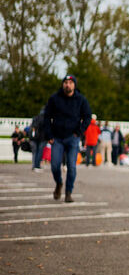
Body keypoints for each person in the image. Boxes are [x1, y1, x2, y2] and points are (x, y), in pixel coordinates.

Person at [43, 75, 92, 203]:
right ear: (62, 84)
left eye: (70, 82)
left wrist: (79, 132)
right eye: (65, 82)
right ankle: (59, 183)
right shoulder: (54, 98)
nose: (68, 85)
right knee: (54, 165)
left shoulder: (80, 100)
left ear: (74, 85)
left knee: (72, 167)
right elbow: (47, 116)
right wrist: (49, 134)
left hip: (72, 137)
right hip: (57, 138)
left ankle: (68, 192)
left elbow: (88, 117)